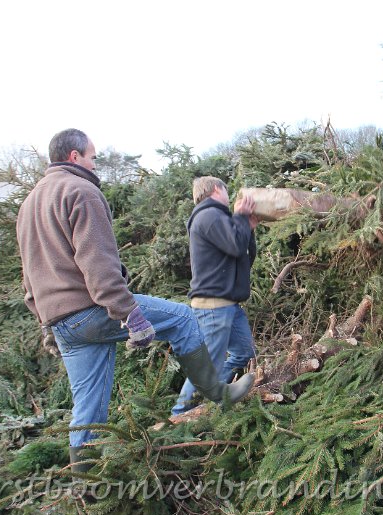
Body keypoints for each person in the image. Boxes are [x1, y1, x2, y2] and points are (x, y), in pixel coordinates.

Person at [16, 129, 254, 472]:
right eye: (93, 157)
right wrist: (132, 315)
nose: (96, 164)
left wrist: (44, 321)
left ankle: (89, 490)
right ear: (74, 157)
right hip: (91, 309)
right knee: (184, 320)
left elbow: (29, 274)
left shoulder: (29, 204)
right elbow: (99, 264)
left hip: (61, 322)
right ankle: (219, 393)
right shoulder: (80, 191)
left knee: (88, 413)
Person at [172, 176, 258, 416]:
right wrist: (240, 217)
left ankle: (214, 395)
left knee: (243, 351)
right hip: (213, 306)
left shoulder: (221, 219)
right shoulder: (208, 216)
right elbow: (235, 245)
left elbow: (244, 257)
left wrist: (247, 228)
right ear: (216, 190)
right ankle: (179, 413)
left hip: (229, 304)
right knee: (207, 366)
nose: (230, 196)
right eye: (226, 190)